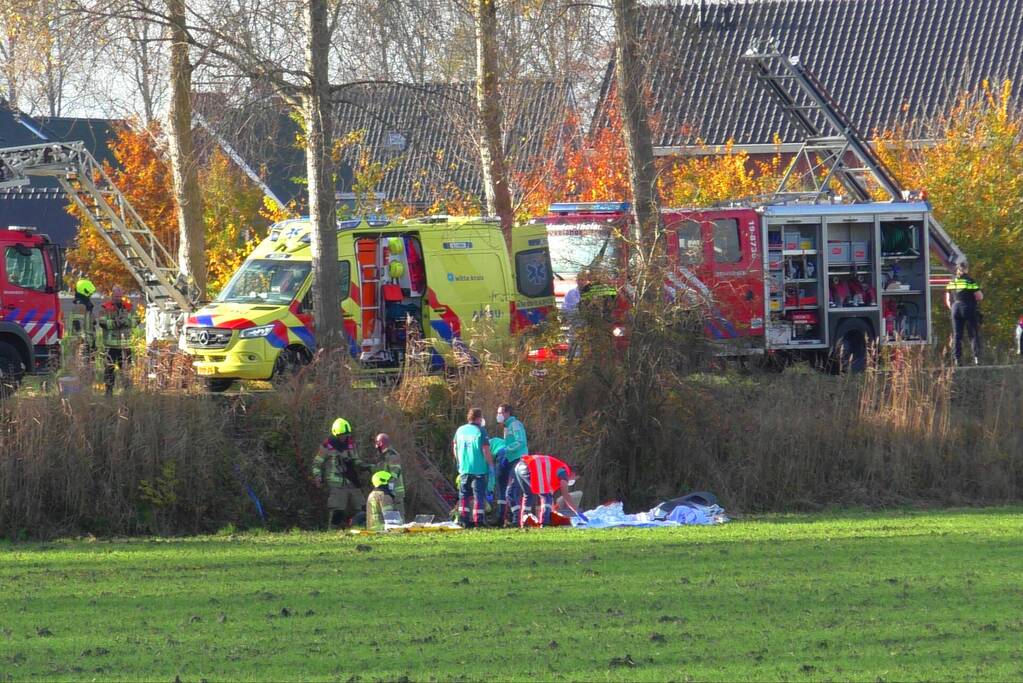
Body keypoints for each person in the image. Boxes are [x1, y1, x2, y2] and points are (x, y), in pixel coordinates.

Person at [311, 417, 372, 529]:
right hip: (336, 484)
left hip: (352, 482)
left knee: (362, 508)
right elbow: (316, 464)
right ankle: (332, 533)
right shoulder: (327, 446)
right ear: (336, 434)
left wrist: (365, 466)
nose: (345, 437)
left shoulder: (350, 444)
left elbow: (356, 460)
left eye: (346, 435)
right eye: (342, 435)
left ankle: (362, 530)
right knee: (337, 511)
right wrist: (317, 477)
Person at [514, 454, 586, 528]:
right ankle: (544, 523)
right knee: (546, 496)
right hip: (530, 467)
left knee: (528, 495)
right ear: (573, 474)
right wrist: (577, 511)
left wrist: (553, 511)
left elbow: (550, 498)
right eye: (575, 479)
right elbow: (565, 495)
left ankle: (525, 521)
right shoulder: (564, 472)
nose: (572, 481)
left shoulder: (556, 471)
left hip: (520, 466)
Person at [452, 407, 493, 528]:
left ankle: (463, 520)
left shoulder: (460, 430)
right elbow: (485, 450)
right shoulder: (481, 431)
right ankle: (478, 521)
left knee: (463, 495)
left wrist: (459, 461)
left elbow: (455, 447)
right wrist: (491, 465)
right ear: (479, 418)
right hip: (479, 468)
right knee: (478, 495)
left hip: (464, 468)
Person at [97, 286, 138, 395]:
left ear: (122, 296)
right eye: (116, 296)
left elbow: (136, 321)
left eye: (120, 296)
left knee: (126, 371)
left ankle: (127, 392)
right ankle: (108, 392)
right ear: (112, 296)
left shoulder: (129, 307)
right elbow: (102, 323)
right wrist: (116, 323)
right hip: (110, 347)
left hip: (125, 346)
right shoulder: (105, 308)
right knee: (109, 370)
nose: (118, 298)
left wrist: (125, 321)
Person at [494, 404, 528, 526]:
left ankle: (516, 520)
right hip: (511, 459)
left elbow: (520, 441)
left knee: (512, 490)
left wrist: (506, 449)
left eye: (500, 413)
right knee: (505, 490)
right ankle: (503, 517)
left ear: (507, 413)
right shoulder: (507, 427)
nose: (498, 415)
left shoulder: (514, 424)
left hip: (519, 460)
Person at [945, 262, 984, 365]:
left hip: (955, 308)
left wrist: (953, 307)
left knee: (957, 335)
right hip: (968, 307)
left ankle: (957, 359)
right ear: (966, 269)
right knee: (973, 333)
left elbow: (948, 300)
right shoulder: (970, 281)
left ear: (957, 270)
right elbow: (979, 296)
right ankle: (976, 358)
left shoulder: (952, 282)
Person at [374, 433, 405, 522]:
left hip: (395, 492)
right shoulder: (383, 456)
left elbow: (394, 474)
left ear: (381, 443)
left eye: (377, 442)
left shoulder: (392, 455)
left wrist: (390, 489)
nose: (376, 445)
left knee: (399, 516)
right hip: (387, 492)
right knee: (389, 516)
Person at [72, 278, 97, 359]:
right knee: (84, 367)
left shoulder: (85, 306)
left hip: (87, 344)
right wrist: (85, 342)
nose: (90, 296)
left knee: (88, 368)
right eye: (90, 294)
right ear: (84, 292)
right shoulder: (80, 307)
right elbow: (78, 326)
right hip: (83, 345)